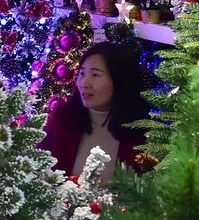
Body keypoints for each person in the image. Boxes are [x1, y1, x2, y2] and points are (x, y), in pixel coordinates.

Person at [41, 41, 151, 179]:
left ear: (119, 81)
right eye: (82, 73)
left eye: (95, 75)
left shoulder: (142, 132)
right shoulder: (63, 117)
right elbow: (40, 165)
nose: (84, 83)